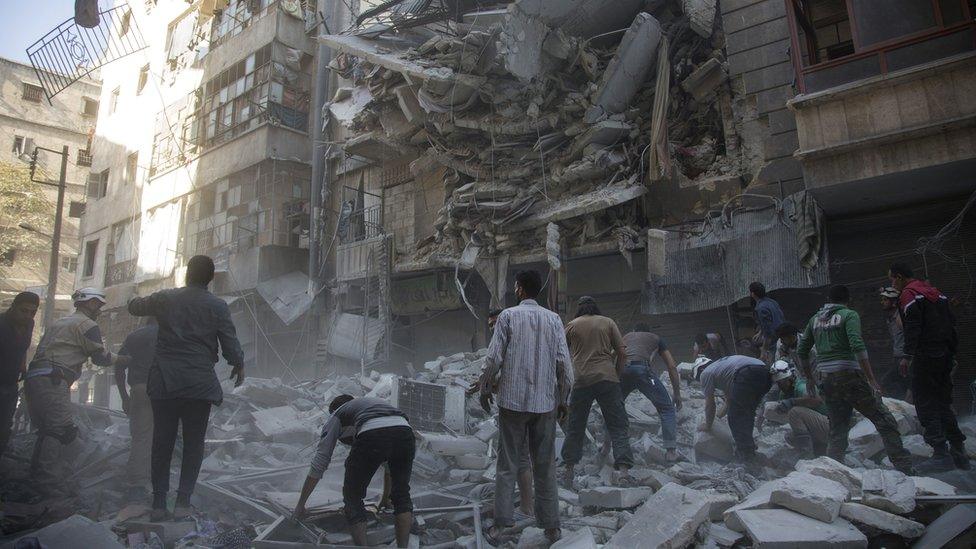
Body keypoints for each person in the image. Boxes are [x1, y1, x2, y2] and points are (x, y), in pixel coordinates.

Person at [128, 255, 245, 520]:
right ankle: (182, 503)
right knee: (194, 444)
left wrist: (137, 299)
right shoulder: (217, 306)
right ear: (211, 278)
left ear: (187, 274)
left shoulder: (165, 298)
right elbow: (229, 340)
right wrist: (238, 364)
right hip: (198, 384)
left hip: (165, 383)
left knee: (162, 441)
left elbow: (134, 307)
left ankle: (159, 503)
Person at [479, 270, 572, 545]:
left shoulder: (507, 316)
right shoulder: (554, 319)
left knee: (507, 464)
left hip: (512, 402)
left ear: (518, 289)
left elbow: (493, 357)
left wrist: (485, 388)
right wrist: (563, 398)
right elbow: (565, 365)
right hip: (545, 404)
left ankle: (501, 525)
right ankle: (552, 527)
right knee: (545, 466)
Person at [797, 284, 915, 475]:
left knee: (837, 429)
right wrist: (870, 378)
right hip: (850, 378)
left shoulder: (815, 319)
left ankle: (833, 473)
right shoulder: (849, 315)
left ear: (829, 299)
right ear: (847, 300)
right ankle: (905, 468)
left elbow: (802, 350)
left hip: (826, 380)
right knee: (885, 421)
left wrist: (810, 378)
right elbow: (857, 344)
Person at [294, 395, 415, 548]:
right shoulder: (372, 406)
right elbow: (389, 462)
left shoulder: (336, 415)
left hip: (373, 434)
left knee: (353, 497)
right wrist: (385, 498)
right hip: (405, 431)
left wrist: (300, 505)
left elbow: (320, 461)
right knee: (402, 496)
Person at [24, 288, 114, 483]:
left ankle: (35, 474)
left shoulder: (61, 322)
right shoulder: (87, 324)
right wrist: (124, 359)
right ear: (90, 303)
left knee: (47, 429)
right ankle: (46, 479)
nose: (99, 310)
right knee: (59, 429)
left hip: (35, 378)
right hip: (53, 379)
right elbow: (101, 358)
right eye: (98, 306)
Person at [889, 263, 968, 471]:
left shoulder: (909, 294)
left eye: (891, 280)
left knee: (925, 402)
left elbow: (913, 327)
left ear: (898, 277)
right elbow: (951, 323)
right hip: (944, 355)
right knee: (943, 402)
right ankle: (959, 451)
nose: (892, 284)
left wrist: (907, 355)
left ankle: (940, 452)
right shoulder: (936, 293)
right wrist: (951, 353)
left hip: (925, 356)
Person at [467, 307, 534, 518]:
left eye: (496, 323)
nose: (494, 328)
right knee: (522, 457)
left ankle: (517, 511)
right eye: (491, 326)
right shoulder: (523, 342)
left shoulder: (508, 343)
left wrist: (484, 385)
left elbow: (495, 365)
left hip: (516, 407)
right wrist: (482, 385)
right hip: (532, 405)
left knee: (514, 459)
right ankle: (526, 505)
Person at [562, 296, 633, 485]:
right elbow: (622, 353)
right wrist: (617, 375)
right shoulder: (607, 322)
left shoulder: (572, 325)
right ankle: (624, 472)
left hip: (581, 380)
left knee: (575, 426)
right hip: (607, 378)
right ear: (595, 308)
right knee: (618, 425)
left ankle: (568, 471)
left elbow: (561, 353)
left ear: (579, 309)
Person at [621, 323, 682, 461]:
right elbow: (672, 366)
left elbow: (615, 356)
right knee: (666, 409)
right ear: (648, 332)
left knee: (614, 408)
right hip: (643, 371)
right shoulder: (656, 338)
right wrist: (677, 394)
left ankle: (606, 447)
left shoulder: (626, 337)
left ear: (634, 331)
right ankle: (671, 452)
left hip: (623, 371)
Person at [695, 354, 771, 462]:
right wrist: (717, 417)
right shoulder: (723, 371)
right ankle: (750, 448)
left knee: (736, 417)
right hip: (764, 373)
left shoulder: (706, 373)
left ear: (700, 369)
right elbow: (729, 401)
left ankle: (746, 455)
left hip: (748, 373)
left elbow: (710, 404)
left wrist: (708, 425)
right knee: (747, 413)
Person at [115, 317, 159, 493]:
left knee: (140, 436)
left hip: (139, 389)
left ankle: (136, 476)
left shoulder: (133, 336)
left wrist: (124, 397)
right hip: (164, 390)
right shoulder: (171, 334)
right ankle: (143, 479)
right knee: (159, 436)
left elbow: (119, 367)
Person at [0, 292, 39, 456]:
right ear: (14, 307)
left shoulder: (29, 324)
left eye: (32, 312)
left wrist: (23, 365)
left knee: (5, 424)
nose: (28, 316)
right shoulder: (2, 323)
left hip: (10, 381)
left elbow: (22, 348)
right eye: (24, 311)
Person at [766, 360, 829, 458]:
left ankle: (806, 455)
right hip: (819, 429)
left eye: (782, 382)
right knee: (790, 437)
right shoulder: (785, 393)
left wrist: (793, 402)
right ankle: (820, 451)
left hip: (830, 426)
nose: (780, 386)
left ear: (790, 379)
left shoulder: (801, 386)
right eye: (778, 383)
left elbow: (817, 400)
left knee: (795, 412)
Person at [879, 286, 911, 401]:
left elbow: (910, 337)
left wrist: (907, 357)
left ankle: (910, 410)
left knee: (910, 386)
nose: (882, 302)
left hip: (905, 357)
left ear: (893, 302)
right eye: (882, 300)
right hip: (898, 357)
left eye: (885, 300)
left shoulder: (899, 317)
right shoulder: (891, 317)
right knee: (887, 382)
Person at [749, 282, 786, 363]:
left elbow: (768, 334)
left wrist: (763, 351)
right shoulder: (772, 302)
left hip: (775, 342)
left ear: (753, 294)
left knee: (774, 366)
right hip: (783, 335)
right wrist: (760, 332)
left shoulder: (761, 308)